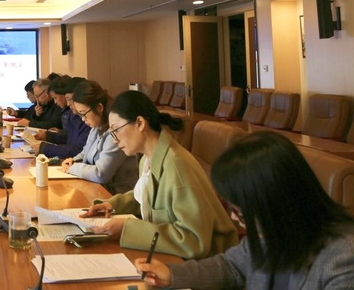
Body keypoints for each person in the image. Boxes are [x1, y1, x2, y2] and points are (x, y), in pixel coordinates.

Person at [136, 131, 354, 289]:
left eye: (239, 210)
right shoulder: (272, 233)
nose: (233, 216)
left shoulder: (342, 257)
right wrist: (171, 274)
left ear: (271, 202)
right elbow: (231, 266)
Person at [81, 90, 237, 259]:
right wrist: (111, 205)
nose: (115, 139)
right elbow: (147, 196)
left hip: (207, 262)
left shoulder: (177, 166)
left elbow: (194, 240)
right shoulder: (147, 159)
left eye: (116, 130)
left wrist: (127, 229)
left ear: (140, 123)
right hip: (175, 255)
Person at [61, 80, 137, 194]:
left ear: (99, 107)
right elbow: (85, 152)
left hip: (116, 195)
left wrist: (73, 168)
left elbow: (101, 174)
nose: (83, 119)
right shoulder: (96, 127)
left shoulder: (115, 133)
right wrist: (72, 161)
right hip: (97, 189)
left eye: (84, 114)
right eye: (80, 114)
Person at [36, 76, 90, 160]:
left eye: (70, 99)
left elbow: (78, 150)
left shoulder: (87, 120)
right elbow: (70, 139)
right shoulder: (74, 115)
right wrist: (48, 136)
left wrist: (45, 148)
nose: (68, 104)